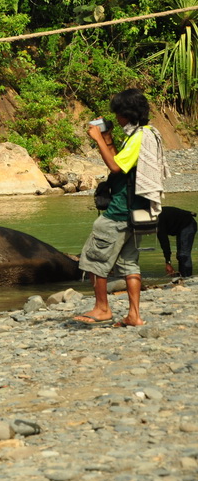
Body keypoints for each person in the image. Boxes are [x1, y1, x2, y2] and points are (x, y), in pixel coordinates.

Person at [74, 88, 168, 328]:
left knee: (94, 259)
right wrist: (107, 139)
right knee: (129, 264)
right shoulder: (144, 133)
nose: (116, 117)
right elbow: (122, 160)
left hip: (119, 211)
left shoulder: (139, 137)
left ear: (127, 113)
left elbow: (116, 168)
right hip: (137, 212)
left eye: (118, 113)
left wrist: (96, 139)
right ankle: (134, 315)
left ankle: (102, 309)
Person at [157, 206, 196, 278]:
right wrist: (168, 261)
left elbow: (164, 242)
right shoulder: (158, 219)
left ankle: (187, 277)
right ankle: (183, 276)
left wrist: (168, 262)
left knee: (183, 254)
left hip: (188, 224)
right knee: (180, 255)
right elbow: (163, 242)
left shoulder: (159, 220)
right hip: (181, 226)